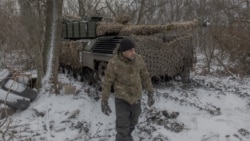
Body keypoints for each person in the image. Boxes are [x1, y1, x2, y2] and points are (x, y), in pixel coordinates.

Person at [101, 37, 155, 141]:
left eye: (134, 49)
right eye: (130, 50)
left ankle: (127, 136)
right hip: (122, 99)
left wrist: (150, 92)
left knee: (133, 122)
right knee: (122, 126)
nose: (133, 53)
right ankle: (123, 137)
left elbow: (145, 76)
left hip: (136, 98)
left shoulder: (138, 59)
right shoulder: (114, 63)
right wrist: (104, 101)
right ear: (123, 51)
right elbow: (107, 83)